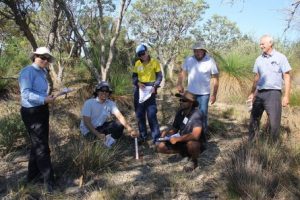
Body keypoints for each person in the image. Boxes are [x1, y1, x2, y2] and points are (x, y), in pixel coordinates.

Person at [19, 47, 56, 192]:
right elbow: (26, 94)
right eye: (42, 57)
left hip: (42, 109)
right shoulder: (27, 72)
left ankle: (32, 176)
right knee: (41, 147)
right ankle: (49, 182)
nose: (45, 60)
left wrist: (48, 98)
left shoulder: (43, 72)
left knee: (38, 144)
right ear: (35, 56)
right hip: (31, 112)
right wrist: (43, 99)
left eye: (47, 58)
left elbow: (40, 91)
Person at [248, 34, 291, 142]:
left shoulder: (281, 57)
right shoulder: (258, 59)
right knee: (254, 119)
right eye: (260, 44)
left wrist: (286, 96)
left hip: (274, 93)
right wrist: (252, 93)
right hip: (260, 93)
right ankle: (252, 144)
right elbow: (257, 77)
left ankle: (273, 149)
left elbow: (286, 76)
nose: (260, 46)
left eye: (262, 44)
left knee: (274, 123)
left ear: (270, 43)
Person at [177, 41, 219, 144]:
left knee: (202, 115)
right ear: (194, 51)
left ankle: (202, 138)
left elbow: (215, 78)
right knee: (187, 114)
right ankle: (188, 134)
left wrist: (214, 94)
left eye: (200, 51)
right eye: (196, 51)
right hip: (191, 93)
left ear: (204, 51)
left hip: (204, 94)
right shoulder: (189, 60)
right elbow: (183, 72)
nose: (198, 53)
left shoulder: (210, 61)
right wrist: (179, 83)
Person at [80, 81, 138, 146]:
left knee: (119, 124)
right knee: (93, 142)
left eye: (107, 91)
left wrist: (130, 129)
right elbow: (87, 122)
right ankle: (100, 142)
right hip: (89, 131)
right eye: (102, 90)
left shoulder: (110, 103)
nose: (104, 93)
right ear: (97, 91)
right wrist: (98, 134)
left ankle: (109, 142)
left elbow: (120, 117)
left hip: (101, 128)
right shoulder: (89, 103)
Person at [156, 91, 203, 172]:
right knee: (160, 147)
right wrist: (166, 133)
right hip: (181, 139)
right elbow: (175, 129)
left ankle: (193, 160)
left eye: (184, 100)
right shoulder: (180, 112)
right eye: (180, 100)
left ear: (191, 102)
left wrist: (178, 139)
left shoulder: (196, 114)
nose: (181, 102)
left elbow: (196, 135)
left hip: (194, 141)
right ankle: (185, 153)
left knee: (193, 144)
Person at [132, 44, 163, 144]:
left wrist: (155, 86)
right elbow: (134, 77)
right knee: (140, 115)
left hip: (150, 89)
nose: (142, 56)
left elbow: (159, 76)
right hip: (139, 90)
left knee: (151, 114)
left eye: (143, 53)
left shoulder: (154, 62)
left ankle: (156, 137)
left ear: (147, 51)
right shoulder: (137, 63)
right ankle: (143, 136)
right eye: (140, 54)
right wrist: (137, 83)